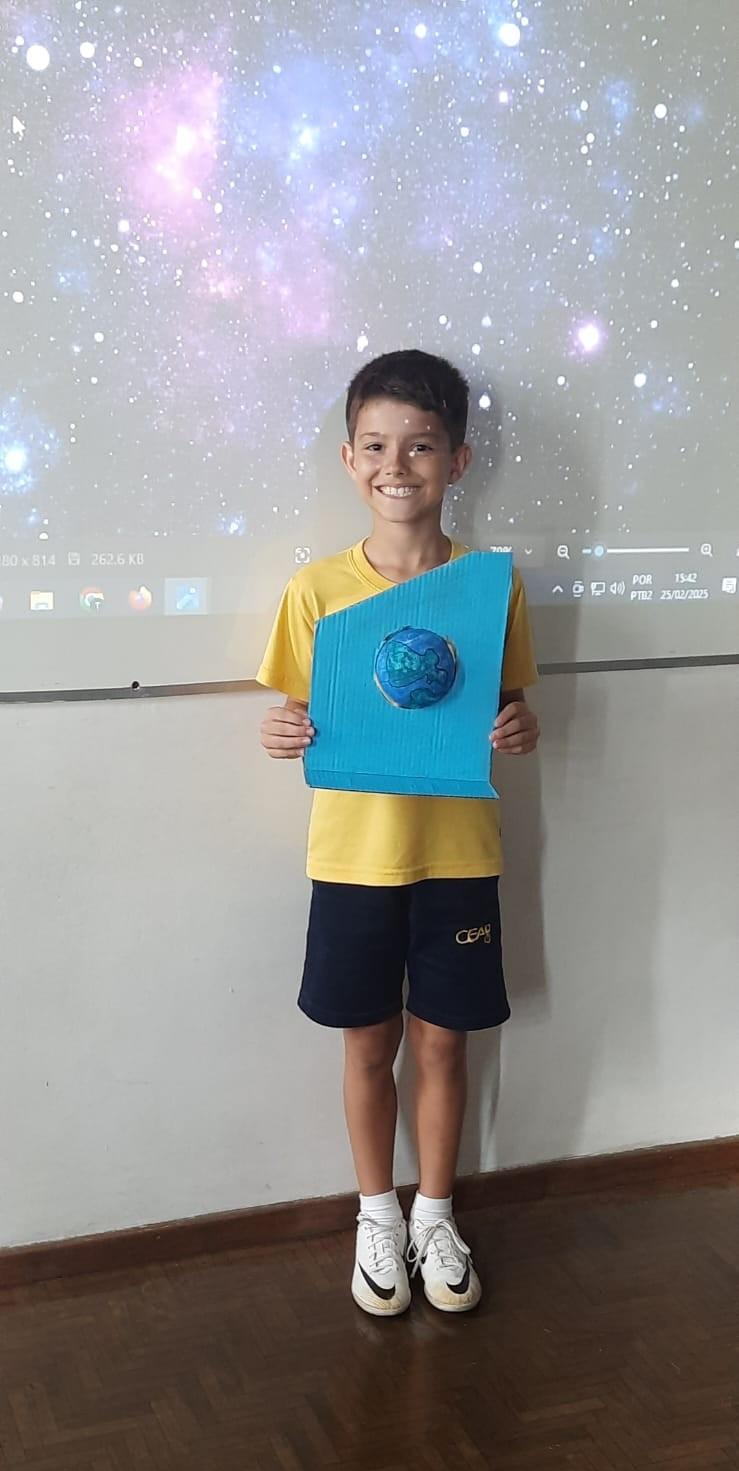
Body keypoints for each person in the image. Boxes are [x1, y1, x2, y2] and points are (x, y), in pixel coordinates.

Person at [257, 349, 539, 1318]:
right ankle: (375, 1213)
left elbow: (507, 710)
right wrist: (281, 731)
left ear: (456, 459)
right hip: (353, 859)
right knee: (365, 1045)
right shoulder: (316, 589)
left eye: (420, 445)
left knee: (444, 1046)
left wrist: (518, 727)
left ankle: (434, 1213)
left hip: (457, 855)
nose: (396, 465)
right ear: (349, 459)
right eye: (375, 445)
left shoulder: (489, 589)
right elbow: (297, 716)